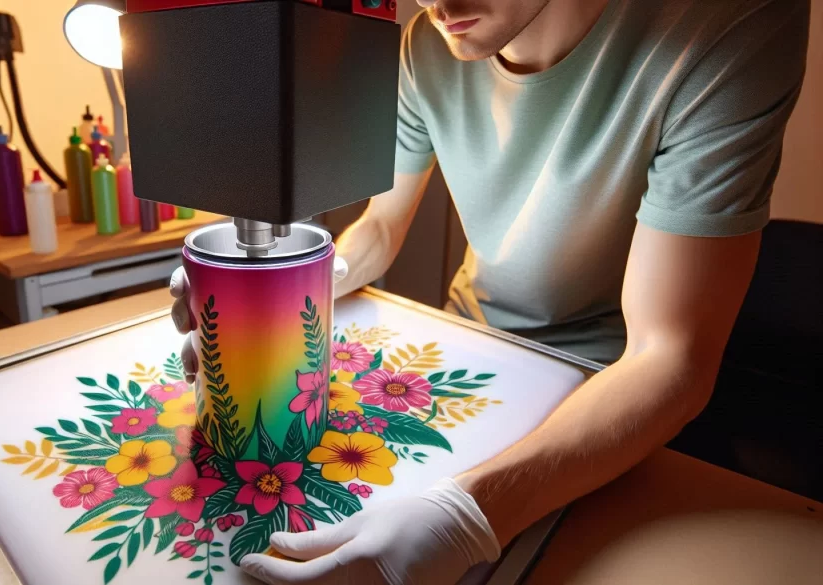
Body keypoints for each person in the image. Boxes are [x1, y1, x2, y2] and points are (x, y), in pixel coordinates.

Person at [169, 0, 810, 582]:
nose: (440, 4)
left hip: (608, 382)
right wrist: (289, 283)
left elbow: (669, 355)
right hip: (474, 339)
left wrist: (466, 514)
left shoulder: (727, 24)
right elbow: (384, 229)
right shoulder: (427, 44)